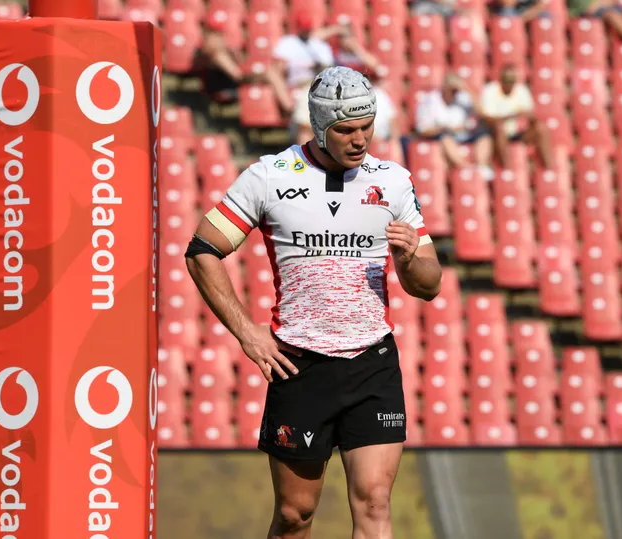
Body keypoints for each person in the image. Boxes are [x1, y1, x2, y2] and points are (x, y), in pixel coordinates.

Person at [185, 66, 442, 539]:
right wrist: (246, 332)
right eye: (346, 129)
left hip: (372, 362)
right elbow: (203, 250)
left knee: (375, 502)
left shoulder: (393, 180)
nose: (360, 139)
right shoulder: (269, 175)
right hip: (300, 364)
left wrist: (409, 259)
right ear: (320, 126)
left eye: (367, 126)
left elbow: (429, 284)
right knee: (294, 515)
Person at [415, 73, 494, 178]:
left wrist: (466, 89)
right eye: (452, 89)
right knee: (445, 137)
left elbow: (481, 113)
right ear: (444, 87)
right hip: (444, 135)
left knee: (484, 135)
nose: (454, 93)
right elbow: (422, 129)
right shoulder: (429, 100)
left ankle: (481, 166)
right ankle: (465, 167)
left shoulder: (463, 97)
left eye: (456, 90)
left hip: (465, 134)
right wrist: (446, 128)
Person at [478, 64, 553, 169]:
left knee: (541, 129)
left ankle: (550, 169)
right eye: (506, 79)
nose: (509, 83)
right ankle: (508, 170)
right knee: (499, 129)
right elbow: (487, 119)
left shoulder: (522, 90)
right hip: (495, 134)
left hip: (518, 132)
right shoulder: (490, 90)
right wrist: (512, 116)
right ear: (500, 79)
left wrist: (528, 117)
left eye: (512, 80)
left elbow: (531, 115)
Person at [268, 10, 336, 115]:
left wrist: (317, 67)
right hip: (294, 83)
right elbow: (278, 68)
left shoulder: (320, 45)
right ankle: (289, 107)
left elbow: (329, 70)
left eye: (308, 29)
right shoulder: (287, 42)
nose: (306, 32)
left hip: (315, 83)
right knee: (272, 73)